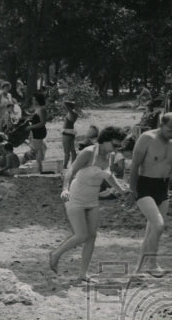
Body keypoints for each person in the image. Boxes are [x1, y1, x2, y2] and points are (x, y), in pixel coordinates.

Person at [50, 127, 127, 283]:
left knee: (92, 236)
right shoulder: (88, 152)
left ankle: (82, 274)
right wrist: (64, 189)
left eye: (119, 146)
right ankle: (56, 254)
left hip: (93, 199)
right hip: (76, 196)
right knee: (81, 235)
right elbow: (71, 170)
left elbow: (109, 176)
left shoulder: (111, 156)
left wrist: (121, 190)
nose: (117, 148)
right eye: (115, 145)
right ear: (105, 140)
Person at [127, 112, 172, 276]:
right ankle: (152, 264)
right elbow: (134, 165)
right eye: (169, 130)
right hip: (145, 186)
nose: (171, 134)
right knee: (158, 226)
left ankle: (137, 271)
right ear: (161, 125)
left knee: (151, 232)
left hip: (163, 188)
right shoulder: (147, 138)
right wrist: (132, 190)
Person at [27, 92, 49, 174]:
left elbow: (42, 123)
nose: (33, 101)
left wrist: (30, 127)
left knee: (38, 150)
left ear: (38, 100)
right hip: (37, 131)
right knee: (41, 148)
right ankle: (41, 167)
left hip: (39, 131)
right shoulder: (38, 108)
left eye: (34, 100)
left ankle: (40, 168)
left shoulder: (42, 109)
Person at [61, 100, 79, 168]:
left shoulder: (71, 112)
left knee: (66, 151)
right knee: (72, 149)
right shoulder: (75, 113)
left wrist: (64, 98)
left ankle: (65, 165)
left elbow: (65, 103)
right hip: (72, 131)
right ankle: (73, 164)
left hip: (67, 132)